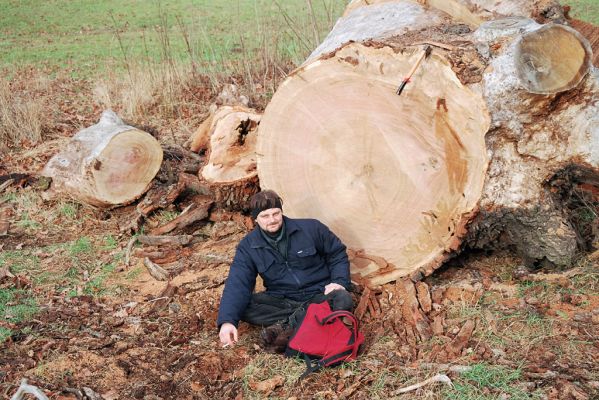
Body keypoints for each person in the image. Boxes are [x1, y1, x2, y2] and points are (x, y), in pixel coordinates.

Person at [217, 189, 353, 349]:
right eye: (265, 216)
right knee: (244, 306)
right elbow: (237, 283)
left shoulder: (311, 228)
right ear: (255, 219)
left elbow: (337, 254)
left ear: (281, 212)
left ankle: (286, 326)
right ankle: (306, 319)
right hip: (283, 299)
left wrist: (339, 281)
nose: (272, 220)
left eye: (276, 213)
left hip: (318, 293)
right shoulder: (248, 246)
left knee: (342, 298)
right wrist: (227, 322)